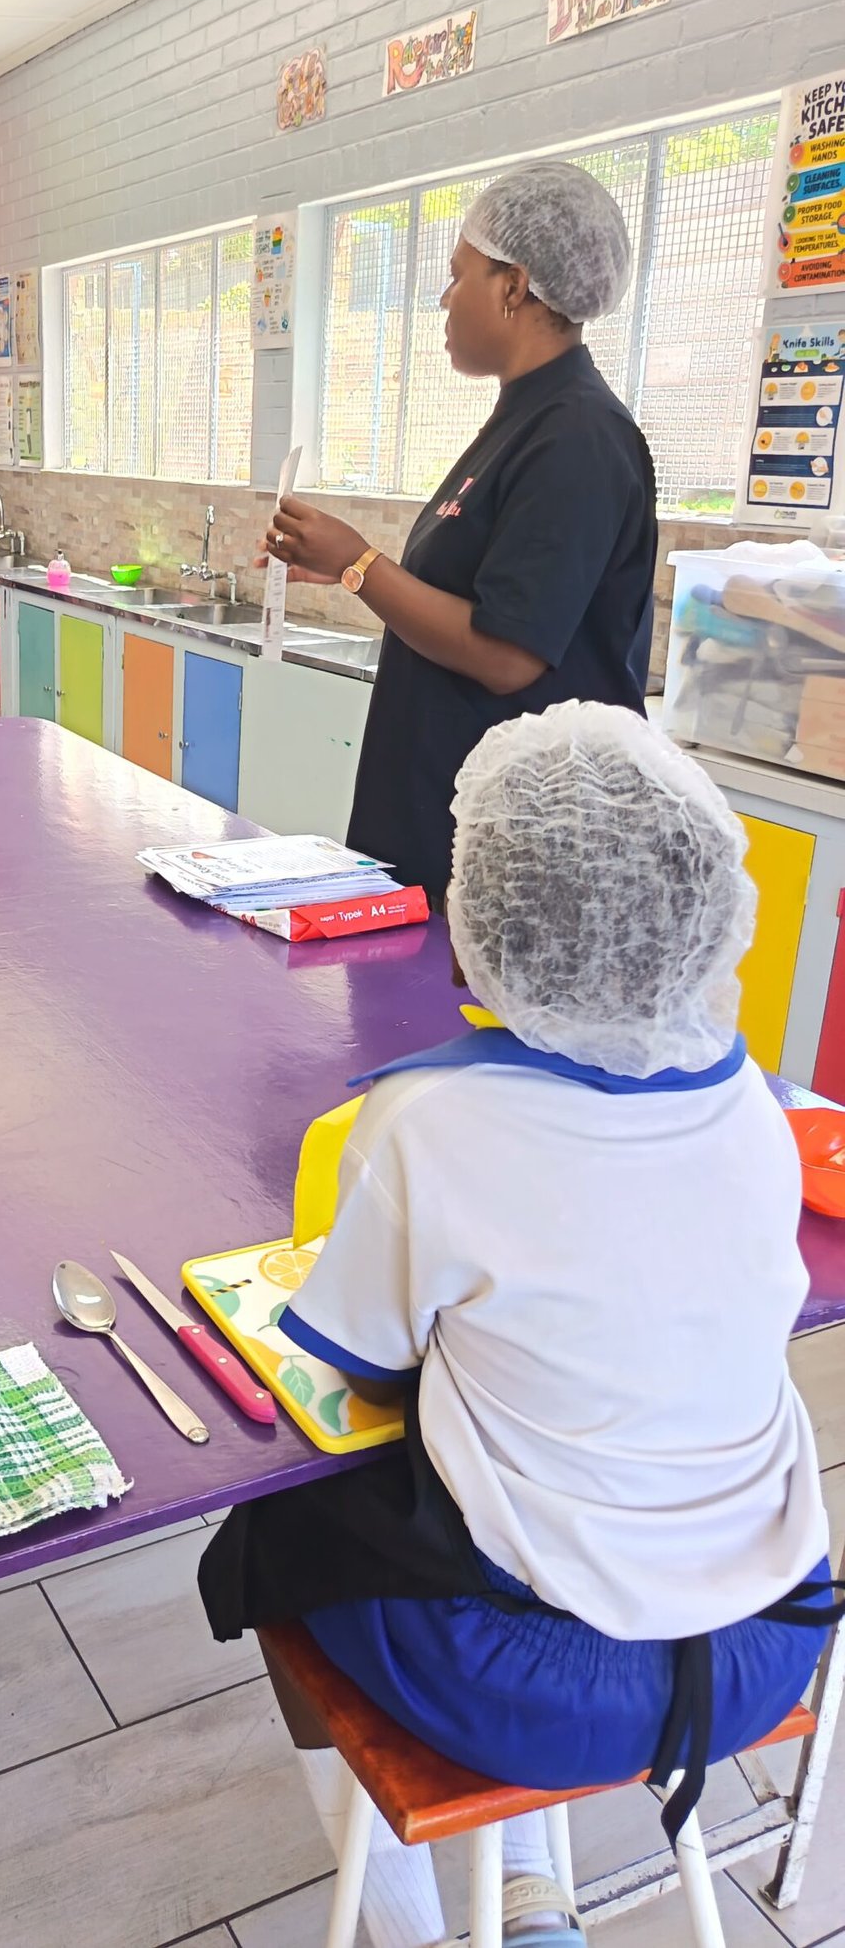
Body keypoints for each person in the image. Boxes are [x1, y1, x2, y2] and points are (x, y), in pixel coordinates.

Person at [199, 703, 834, 1948]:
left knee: (273, 1537)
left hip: (542, 1689)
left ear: (474, 939)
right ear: (700, 924)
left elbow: (364, 1375)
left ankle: (413, 1930)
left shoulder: (427, 1124)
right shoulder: (751, 1108)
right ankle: (533, 1893)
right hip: (767, 1636)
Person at [264, 161, 656, 902]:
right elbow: (472, 594)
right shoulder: (525, 418)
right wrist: (343, 568)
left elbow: (508, 654)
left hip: (514, 848)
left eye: (457, 276)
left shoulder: (579, 436)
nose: (444, 299)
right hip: (441, 818)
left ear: (514, 286)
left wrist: (360, 563)